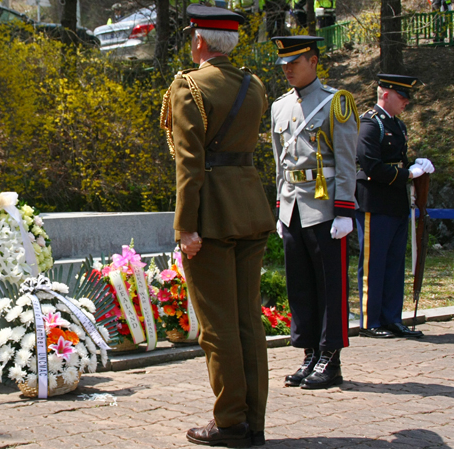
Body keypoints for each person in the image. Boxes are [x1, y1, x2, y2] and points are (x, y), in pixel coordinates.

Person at [160, 4, 275, 447]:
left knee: (218, 326)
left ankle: (230, 422)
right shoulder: (256, 85)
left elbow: (190, 164)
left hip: (211, 217)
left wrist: (185, 226)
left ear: (200, 41)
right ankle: (254, 420)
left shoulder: (188, 86)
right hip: (250, 207)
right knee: (248, 321)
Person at [270, 36, 358, 390]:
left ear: (314, 62)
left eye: (295, 62)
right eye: (284, 65)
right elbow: (280, 162)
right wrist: (280, 207)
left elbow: (347, 161)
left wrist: (344, 210)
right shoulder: (279, 106)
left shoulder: (335, 103)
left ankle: (330, 356)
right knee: (301, 285)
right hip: (292, 206)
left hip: (325, 209)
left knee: (329, 284)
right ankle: (308, 352)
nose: (288, 69)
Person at [356, 74, 435, 339]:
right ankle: (371, 321)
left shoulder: (398, 126)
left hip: (396, 203)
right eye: (402, 96)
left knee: (393, 264)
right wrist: (408, 175)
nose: (407, 102)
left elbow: (398, 161)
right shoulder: (370, 123)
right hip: (374, 202)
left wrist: (417, 165)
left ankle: (392, 317)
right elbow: (371, 166)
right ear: (385, 93)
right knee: (374, 264)